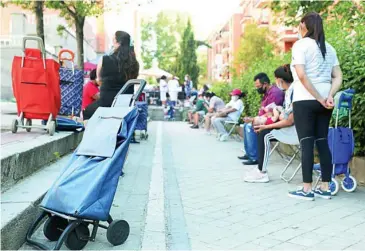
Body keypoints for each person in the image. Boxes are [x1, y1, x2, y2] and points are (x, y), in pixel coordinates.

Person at [288, 12, 343, 200]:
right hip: (325, 102)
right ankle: (326, 187)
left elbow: (302, 75)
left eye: (299, 24)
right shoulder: (329, 48)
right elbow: (338, 76)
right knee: (322, 141)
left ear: (304, 25)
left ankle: (307, 189)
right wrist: (329, 96)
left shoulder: (300, 45)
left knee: (306, 143)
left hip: (305, 100)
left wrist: (320, 97)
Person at [244, 64, 295, 183]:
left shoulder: (292, 92)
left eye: (276, 79)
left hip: (293, 130)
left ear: (280, 80)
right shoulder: (288, 92)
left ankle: (261, 171)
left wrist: (266, 125)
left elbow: (289, 120)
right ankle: (259, 168)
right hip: (286, 125)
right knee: (260, 130)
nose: (275, 82)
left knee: (264, 133)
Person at [83, 31, 139, 120]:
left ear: (116, 42)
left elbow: (98, 80)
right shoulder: (134, 63)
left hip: (106, 103)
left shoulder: (104, 59)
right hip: (126, 104)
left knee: (86, 113)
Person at [238, 73, 284, 165]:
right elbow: (263, 111)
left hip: (274, 123)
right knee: (246, 124)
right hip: (265, 120)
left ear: (265, 84)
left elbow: (271, 114)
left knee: (250, 127)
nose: (257, 88)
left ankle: (255, 157)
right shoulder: (266, 93)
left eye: (258, 86)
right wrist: (253, 118)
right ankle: (250, 154)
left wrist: (254, 120)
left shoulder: (275, 93)